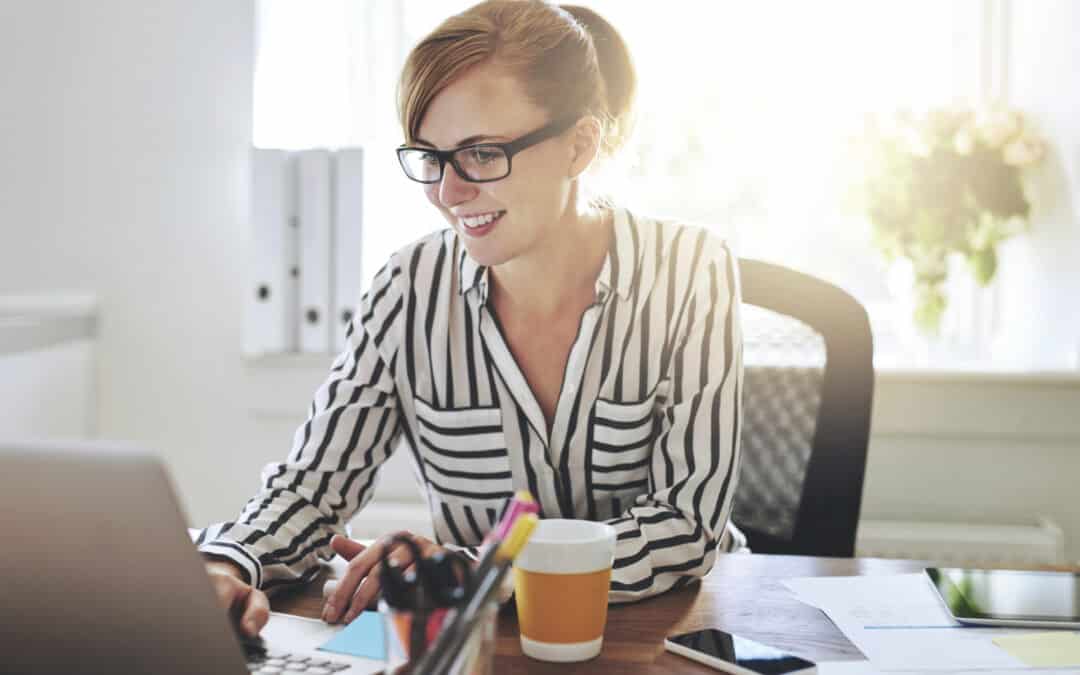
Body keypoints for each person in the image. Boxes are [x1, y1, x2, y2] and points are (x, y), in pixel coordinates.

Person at [198, 0, 743, 638]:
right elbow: (310, 489)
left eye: (482, 153)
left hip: (667, 636)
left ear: (579, 143)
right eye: (430, 158)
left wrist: (479, 571)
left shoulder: (691, 268)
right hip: (483, 646)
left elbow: (686, 525)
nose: (449, 194)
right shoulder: (408, 287)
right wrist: (220, 563)